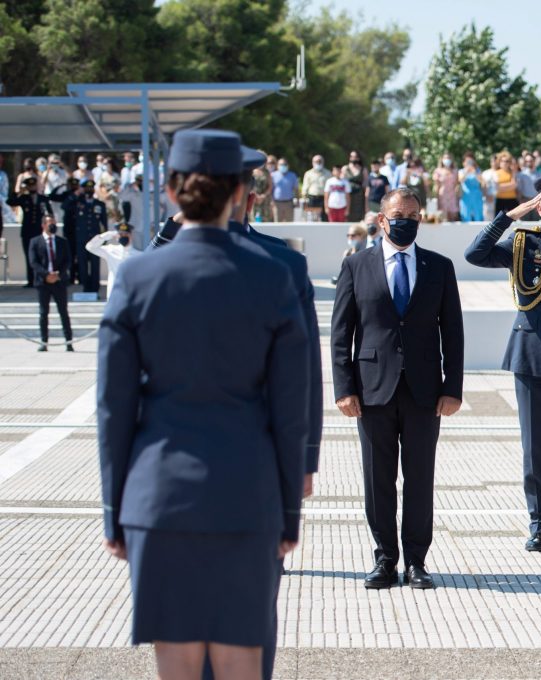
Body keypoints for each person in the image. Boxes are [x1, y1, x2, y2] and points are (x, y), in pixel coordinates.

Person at [97, 129, 309, 680]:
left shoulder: (138, 275)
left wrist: (112, 511)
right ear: (241, 191)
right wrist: (289, 509)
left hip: (158, 498)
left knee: (179, 665)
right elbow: (291, 405)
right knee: (242, 658)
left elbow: (114, 406)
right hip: (248, 493)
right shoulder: (273, 275)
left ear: (170, 191)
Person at [332, 187, 464, 590]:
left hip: (425, 391)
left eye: (413, 214)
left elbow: (453, 334)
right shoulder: (356, 266)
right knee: (378, 478)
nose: (405, 220)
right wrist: (344, 388)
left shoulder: (439, 267)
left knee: (420, 478)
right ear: (381, 220)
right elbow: (341, 334)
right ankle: (386, 559)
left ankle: (417, 562)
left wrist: (452, 388)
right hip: (372, 392)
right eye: (397, 214)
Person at [465, 173, 541, 553]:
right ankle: (539, 524)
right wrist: (510, 216)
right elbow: (475, 253)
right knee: (535, 451)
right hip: (532, 357)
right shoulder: (523, 243)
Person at [28, 215, 73, 352]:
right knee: (43, 313)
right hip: (43, 282)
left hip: (59, 282)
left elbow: (68, 260)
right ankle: (44, 341)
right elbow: (33, 262)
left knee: (63, 312)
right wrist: (46, 275)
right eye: (49, 223)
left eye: (54, 223)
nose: (52, 225)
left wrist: (58, 274)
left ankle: (69, 342)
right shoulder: (35, 242)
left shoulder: (62, 241)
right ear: (43, 225)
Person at [6, 175, 53, 288]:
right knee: (29, 256)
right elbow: (10, 202)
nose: (32, 187)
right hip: (27, 231)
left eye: (33, 185)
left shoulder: (43, 198)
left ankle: (41, 278)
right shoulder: (24, 198)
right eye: (29, 185)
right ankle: (31, 280)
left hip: (39, 231)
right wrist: (18, 192)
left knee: (42, 255)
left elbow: (49, 213)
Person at [74, 179, 108, 294]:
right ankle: (85, 286)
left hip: (94, 239)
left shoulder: (99, 204)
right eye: (86, 188)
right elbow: (65, 207)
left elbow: (104, 223)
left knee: (95, 264)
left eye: (91, 188)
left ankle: (95, 287)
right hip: (81, 239)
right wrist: (76, 194)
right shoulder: (78, 202)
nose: (89, 190)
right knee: (82, 264)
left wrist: (104, 240)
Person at [86, 224, 134, 299]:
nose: (123, 236)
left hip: (131, 294)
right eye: (121, 234)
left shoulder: (139, 254)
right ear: (117, 236)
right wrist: (104, 236)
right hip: (114, 293)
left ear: (131, 235)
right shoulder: (110, 250)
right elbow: (90, 247)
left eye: (126, 234)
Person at [432, 152, 460, 222]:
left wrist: (457, 197)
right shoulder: (438, 171)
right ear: (442, 160)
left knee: (453, 217)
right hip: (442, 195)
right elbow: (436, 185)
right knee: (443, 217)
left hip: (452, 195)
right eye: (445, 158)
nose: (447, 160)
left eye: (449, 158)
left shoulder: (455, 171)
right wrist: (436, 197)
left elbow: (457, 184)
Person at [301, 154, 329, 222]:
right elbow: (305, 187)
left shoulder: (328, 173)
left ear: (323, 162)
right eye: (316, 161)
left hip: (324, 199)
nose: (318, 163)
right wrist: (304, 198)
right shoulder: (308, 173)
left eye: (320, 161)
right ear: (312, 162)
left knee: (324, 218)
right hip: (312, 198)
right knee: (312, 219)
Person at [342, 151, 367, 222]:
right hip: (347, 195)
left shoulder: (363, 169)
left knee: (358, 215)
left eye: (355, 156)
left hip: (359, 196)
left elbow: (365, 184)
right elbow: (341, 181)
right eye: (351, 156)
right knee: (347, 214)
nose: (353, 158)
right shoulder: (345, 168)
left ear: (358, 158)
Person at [271, 158, 298, 222]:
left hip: (289, 203)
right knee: (277, 223)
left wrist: (297, 200)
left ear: (288, 165)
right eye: (281, 164)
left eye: (285, 164)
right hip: (277, 203)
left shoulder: (292, 175)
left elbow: (296, 189)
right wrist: (271, 201)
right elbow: (271, 189)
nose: (283, 166)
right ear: (277, 166)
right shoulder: (273, 175)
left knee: (289, 223)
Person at [458, 155, 484, 222]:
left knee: (478, 216)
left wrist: (474, 172)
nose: (469, 163)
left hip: (477, 197)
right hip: (465, 197)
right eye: (467, 161)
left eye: (471, 161)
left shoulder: (477, 170)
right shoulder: (461, 171)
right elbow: (460, 180)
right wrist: (467, 172)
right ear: (463, 163)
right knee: (465, 216)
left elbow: (481, 181)